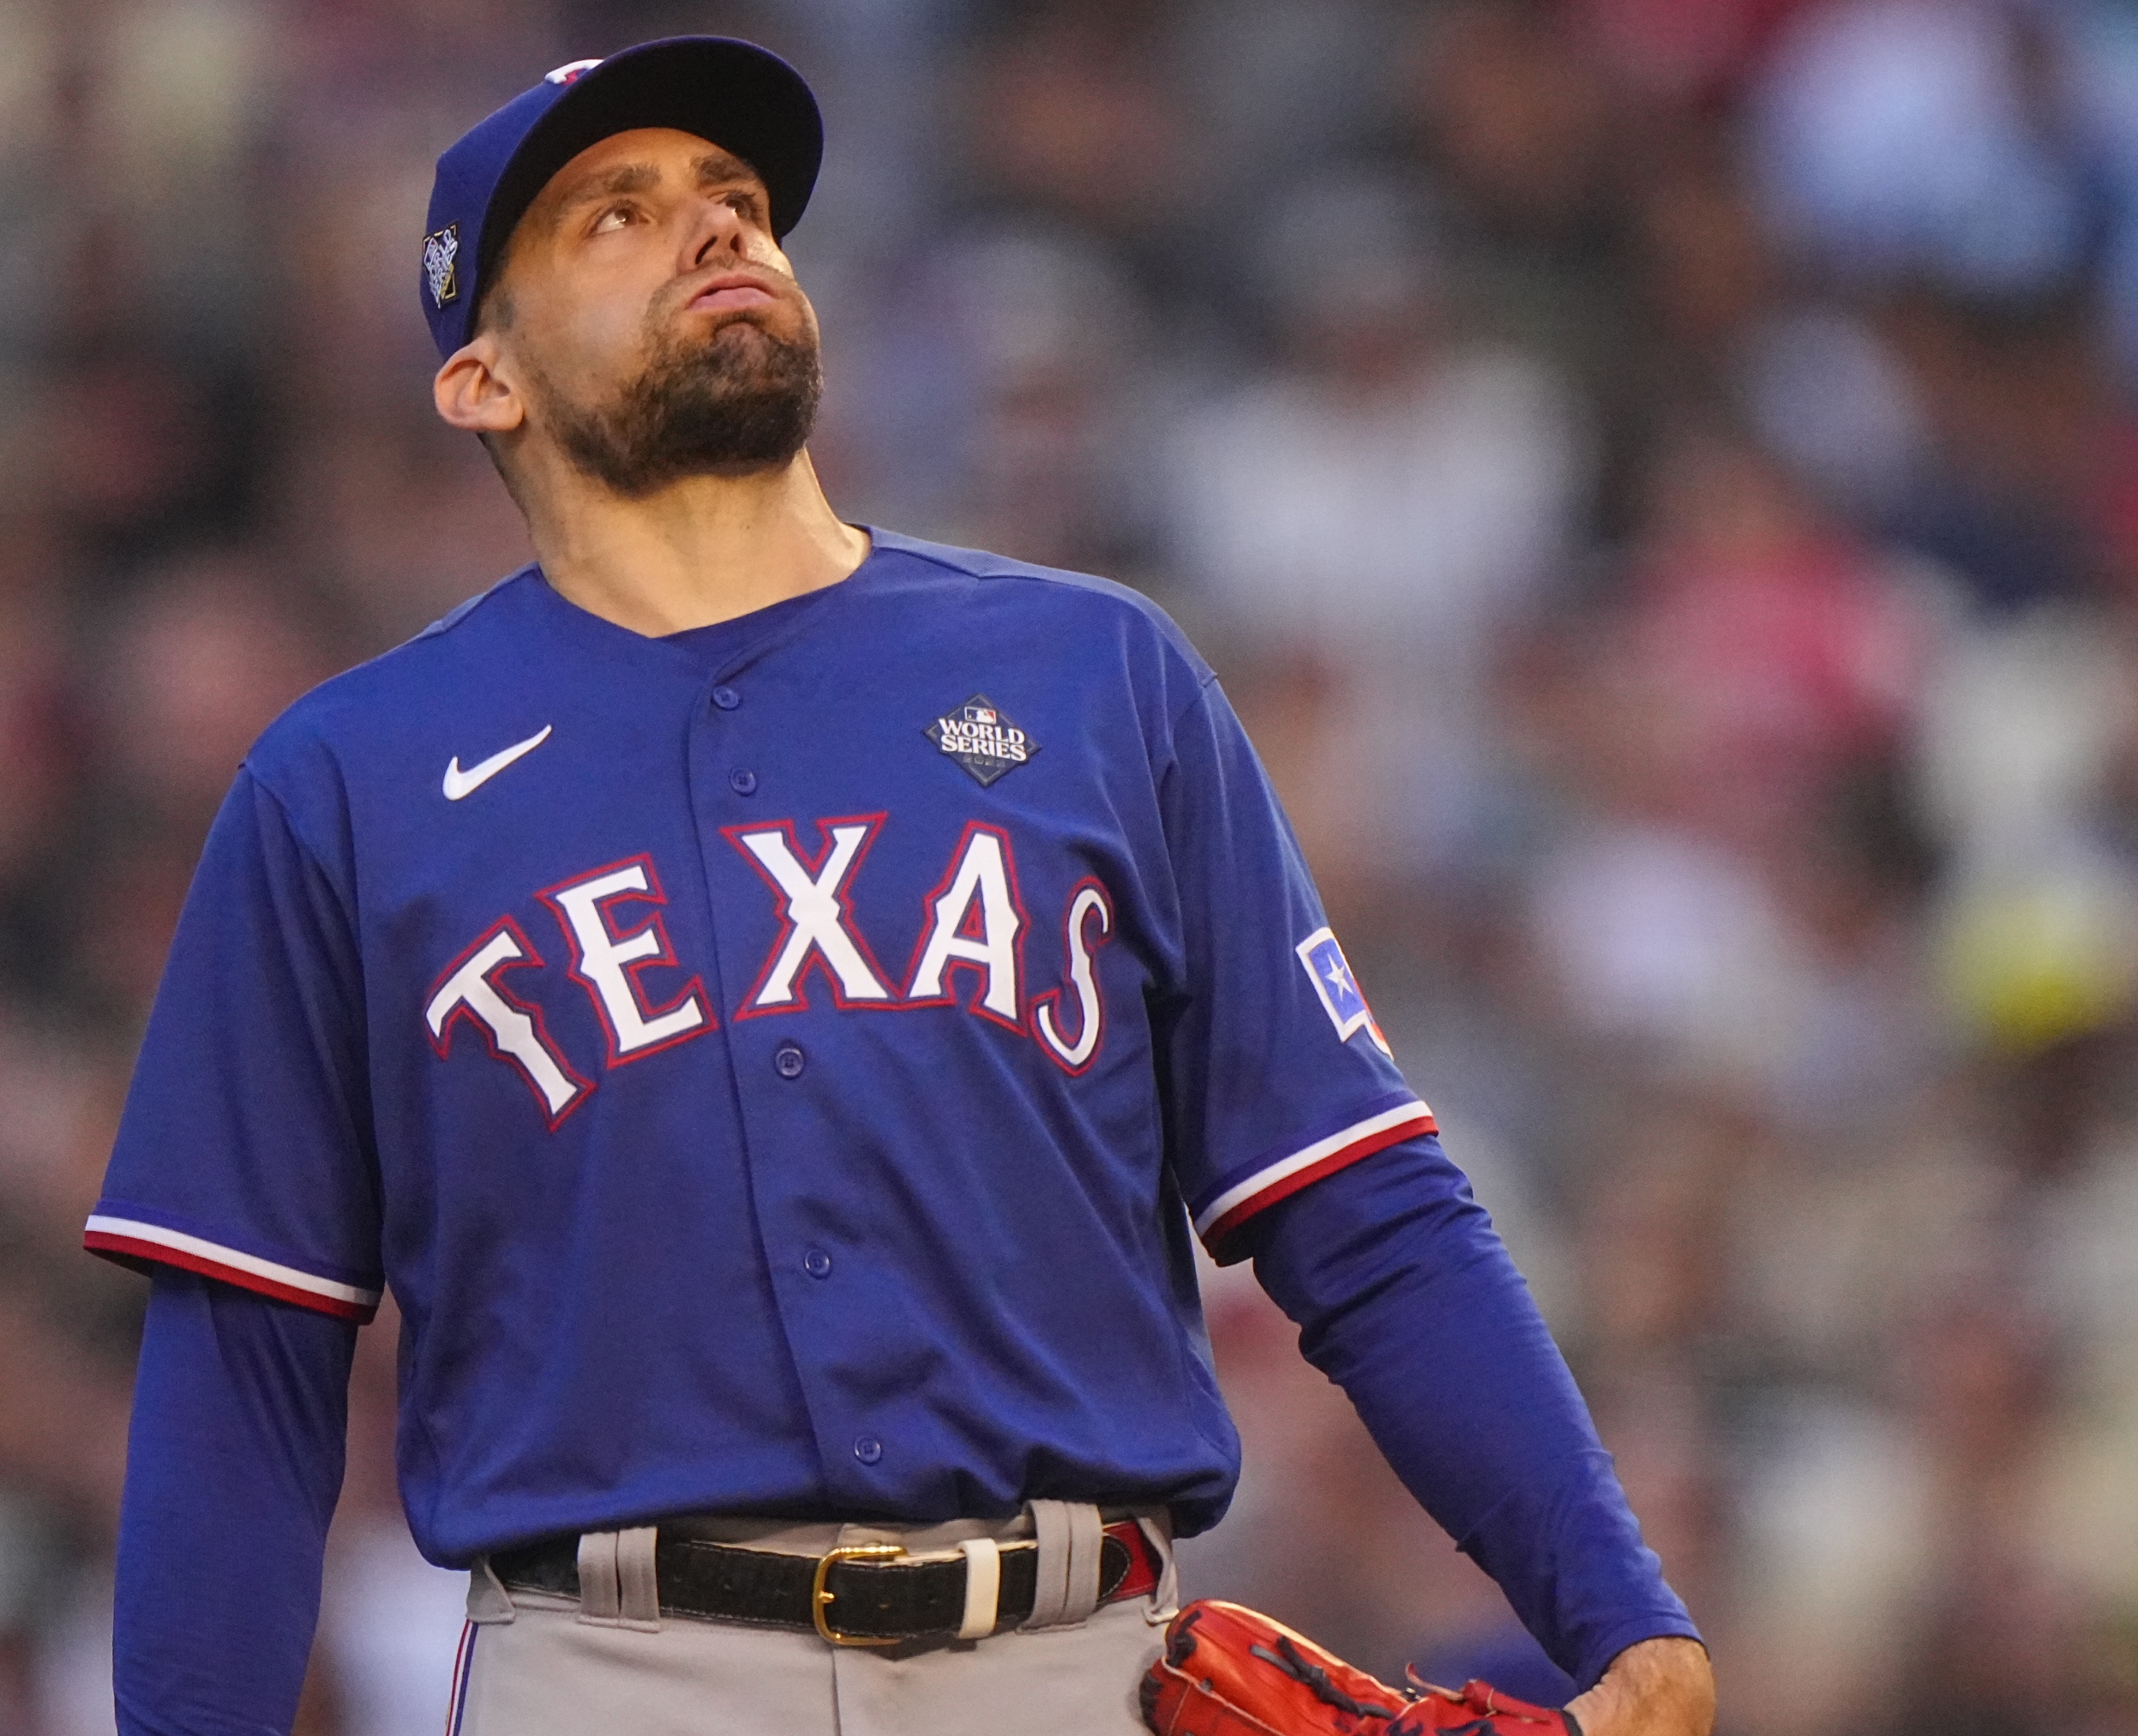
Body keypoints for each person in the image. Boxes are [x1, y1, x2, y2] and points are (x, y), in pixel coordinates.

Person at [85, 37, 1713, 1736]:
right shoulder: (342, 782)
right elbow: (244, 1368)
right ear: (480, 374)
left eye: (735, 202)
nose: (713, 230)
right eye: (615, 216)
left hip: (1076, 1657)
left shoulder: (1097, 671)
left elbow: (1361, 1208)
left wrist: (1622, 1621)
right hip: (616, 1669)